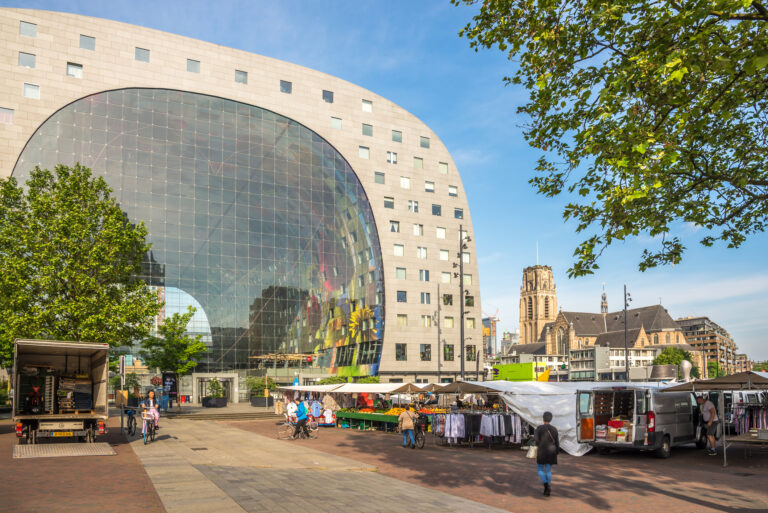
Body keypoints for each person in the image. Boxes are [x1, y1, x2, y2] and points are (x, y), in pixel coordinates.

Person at [534, 411, 559, 497]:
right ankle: (548, 486)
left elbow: (536, 441)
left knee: (540, 469)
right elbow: (557, 442)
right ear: (551, 419)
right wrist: (557, 451)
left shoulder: (539, 428)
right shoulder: (554, 429)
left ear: (543, 418)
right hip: (551, 451)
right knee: (548, 470)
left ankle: (546, 486)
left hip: (541, 451)